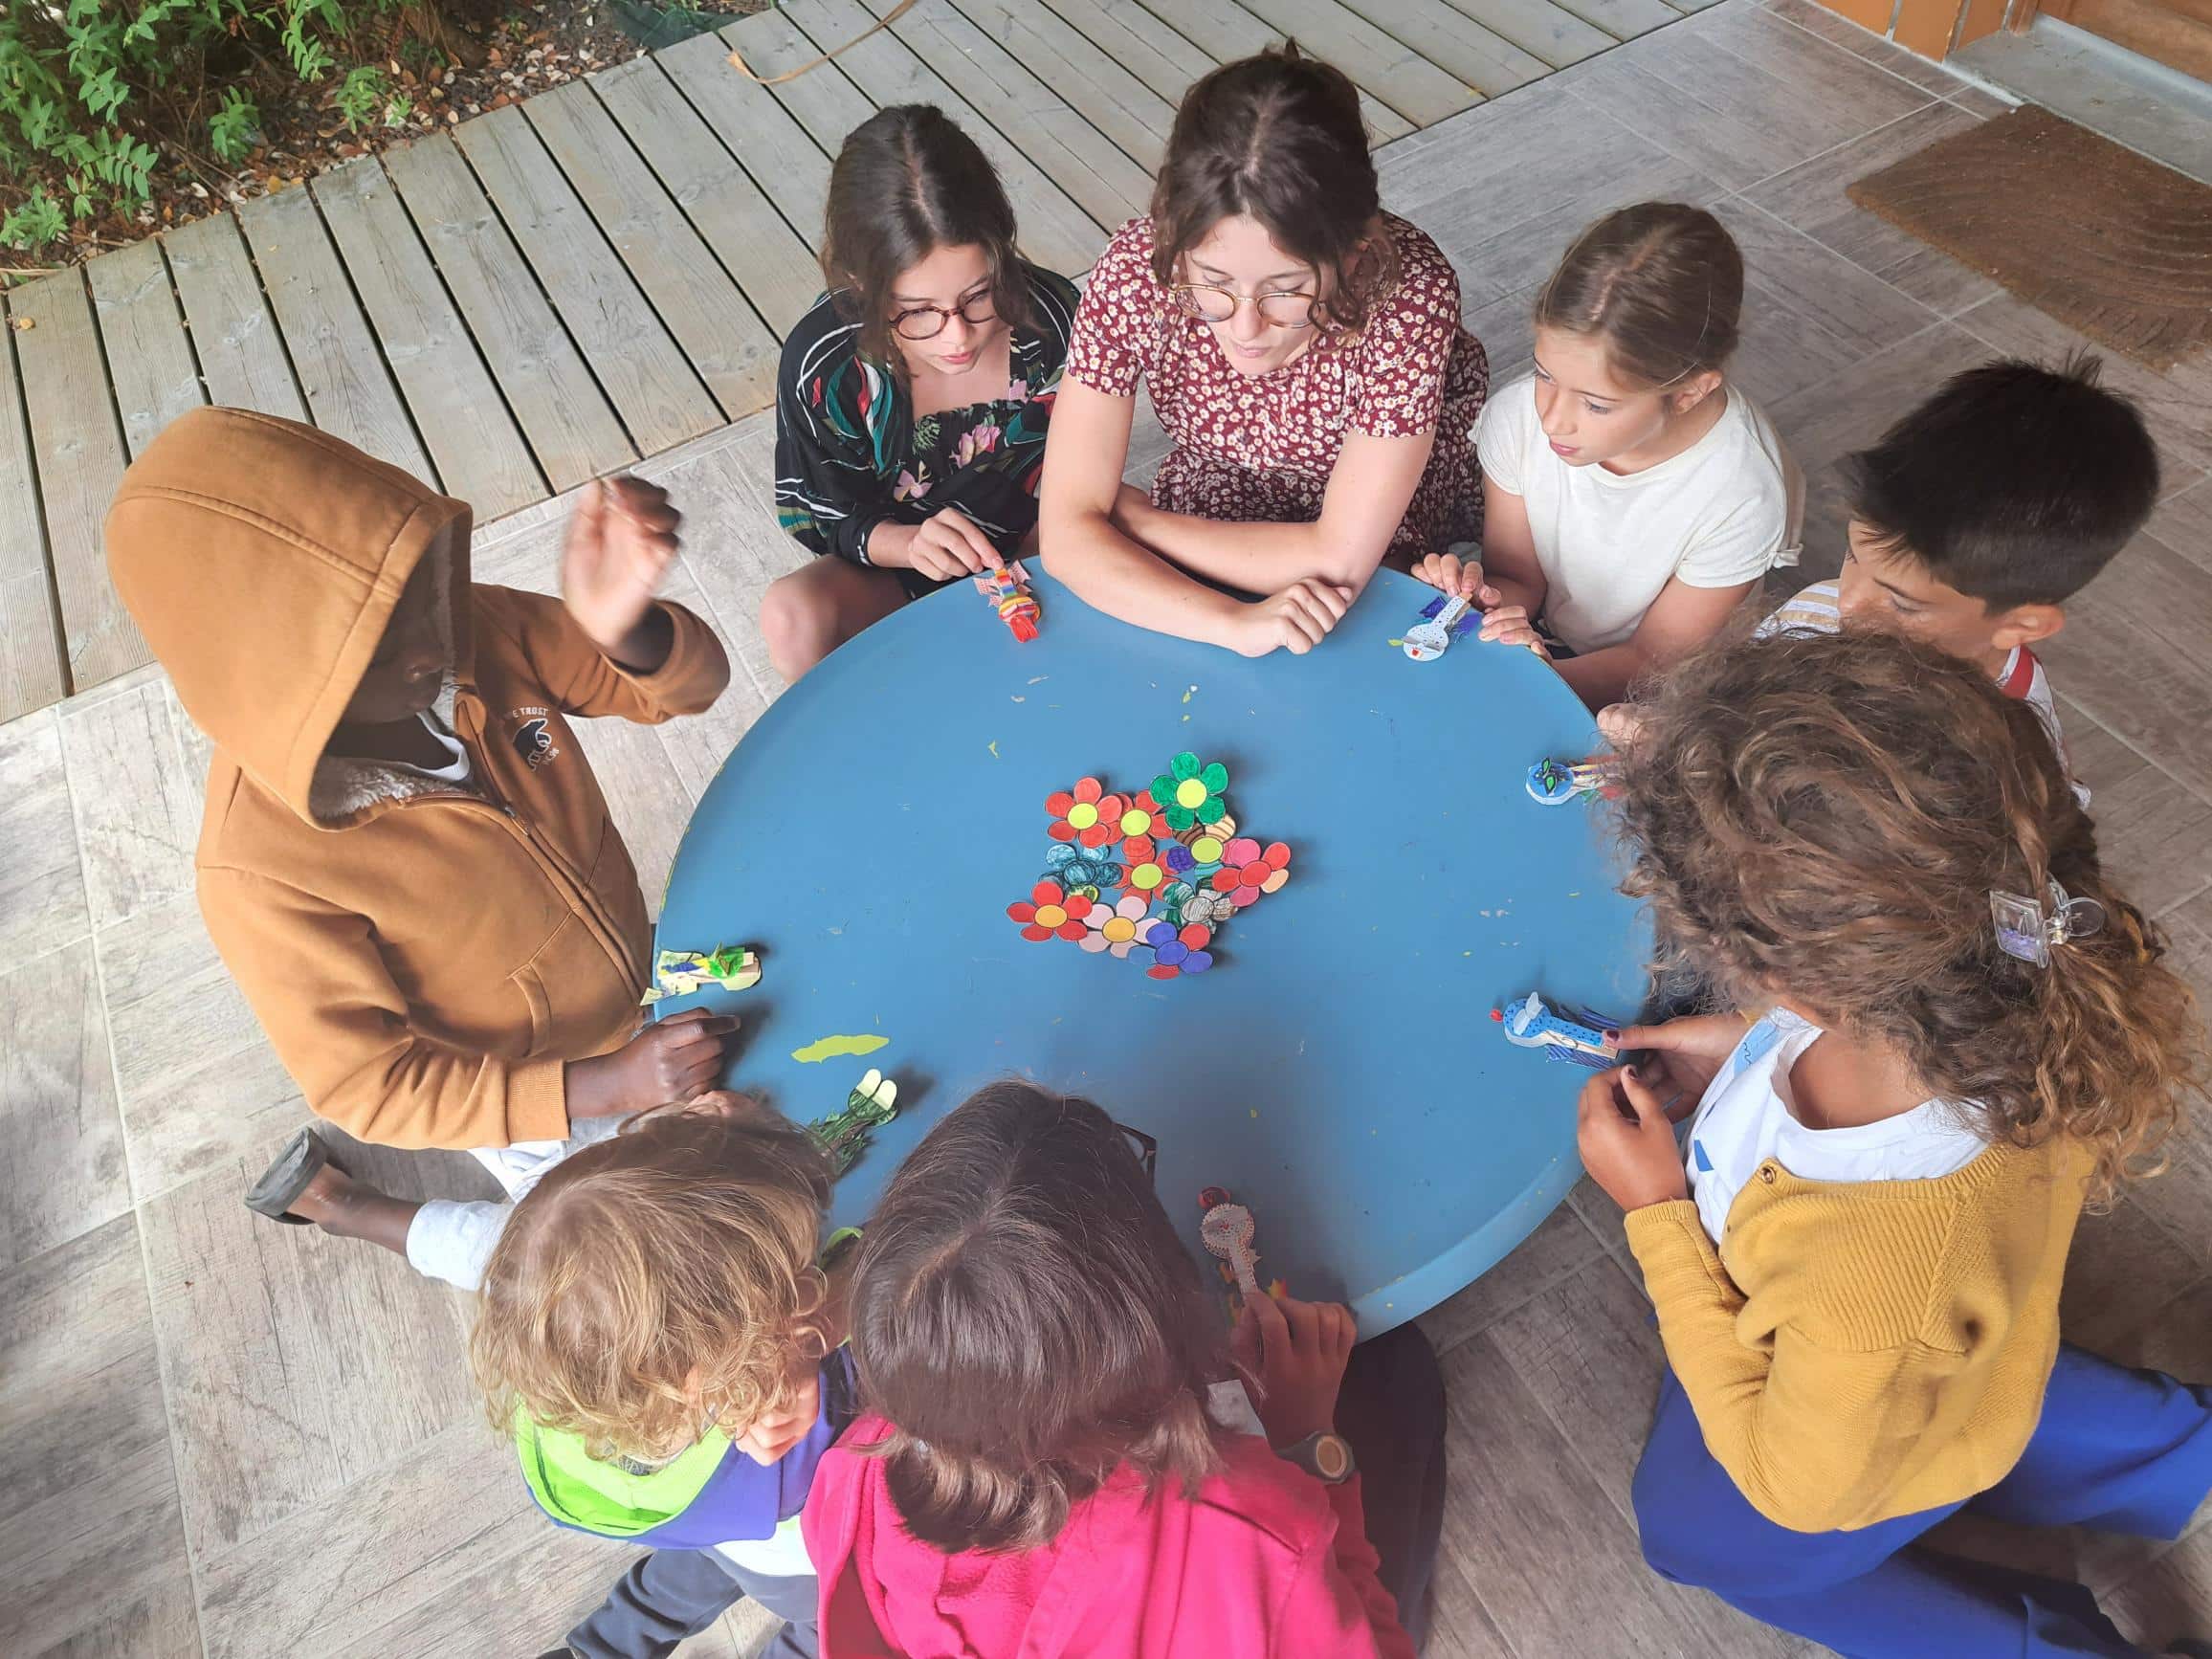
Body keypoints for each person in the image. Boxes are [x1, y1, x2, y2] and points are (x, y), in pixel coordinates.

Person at [1574, 629, 2209, 1656]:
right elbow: (1876, 1018)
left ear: (1786, 972)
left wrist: (1656, 1217)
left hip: (1859, 1414)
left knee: (1697, 1537)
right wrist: (1751, 1047)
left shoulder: (1871, 1283)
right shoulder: (2023, 959)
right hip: (1954, 1344)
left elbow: (1794, 1489)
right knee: (1995, 1378)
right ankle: (2172, 1455)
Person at [105, 409, 738, 1180]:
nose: (427, 645)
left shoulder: (473, 629)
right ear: (268, 685)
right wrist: (604, 1086)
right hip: (534, 1103)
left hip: (643, 978)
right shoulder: (260, 871)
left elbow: (688, 689)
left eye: (411, 590)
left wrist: (621, 630)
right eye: (368, 646)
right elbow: (368, 1085)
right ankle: (350, 1208)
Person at [803, 1081, 1446, 1657]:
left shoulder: (848, 1480)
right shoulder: (1256, 1526)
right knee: (1399, 1368)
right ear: (1157, 1308)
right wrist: (1308, 1444)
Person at [1039, 46, 1488, 658]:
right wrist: (1230, 622)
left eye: (1286, 290)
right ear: (1175, 239)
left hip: (1380, 527)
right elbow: (1064, 539)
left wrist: (1140, 524)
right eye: (1213, 284)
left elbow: (1338, 561)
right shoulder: (1135, 270)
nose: (1245, 328)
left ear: (1354, 254)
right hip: (1216, 494)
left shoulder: (1410, 293)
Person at [459, 1097, 852, 1659]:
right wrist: (822, 1320)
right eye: (796, 1272)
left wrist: (712, 1140)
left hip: (696, 1524)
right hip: (797, 1560)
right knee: (826, 1623)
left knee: (687, 1572)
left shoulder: (561, 1386)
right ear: (731, 1354)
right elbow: (898, 1272)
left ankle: (602, 1649)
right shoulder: (786, 1423)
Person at [1414, 203, 1799, 710]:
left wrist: (1537, 677)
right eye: (1544, 374)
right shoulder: (1519, 416)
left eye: (1596, 404)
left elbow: (1656, 658)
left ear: (1689, 393)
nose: (1552, 419)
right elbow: (1521, 579)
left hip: (1654, 681)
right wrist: (1479, 596)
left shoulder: (1744, 494)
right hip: (1546, 646)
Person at [1744, 353, 2157, 804]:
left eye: (1902, 603)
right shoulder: (1815, 610)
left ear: (2020, 626)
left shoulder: (2011, 747)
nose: (1847, 603)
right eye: (1852, 555)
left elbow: (2035, 845)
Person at [763, 104, 1079, 680]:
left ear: (1001, 250)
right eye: (915, 313)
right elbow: (830, 512)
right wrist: (909, 546)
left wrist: (1043, 551)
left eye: (980, 295)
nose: (957, 338)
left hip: (1041, 538)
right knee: (792, 614)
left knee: (1145, 519)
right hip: (896, 566)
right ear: (861, 285)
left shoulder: (1052, 322)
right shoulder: (827, 364)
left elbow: (1081, 469)